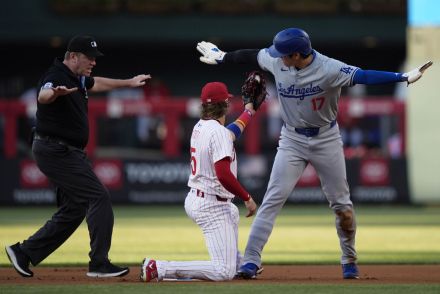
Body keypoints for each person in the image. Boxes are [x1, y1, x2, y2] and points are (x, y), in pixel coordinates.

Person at [196, 28, 432, 279]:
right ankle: (251, 260)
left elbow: (363, 76)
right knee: (272, 199)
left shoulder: (329, 69)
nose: (277, 57)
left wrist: (402, 77)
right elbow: (253, 55)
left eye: (284, 54)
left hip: (326, 138)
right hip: (292, 139)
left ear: (297, 54)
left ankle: (349, 258)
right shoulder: (278, 61)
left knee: (342, 205)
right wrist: (223, 57)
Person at [5, 35, 151, 278]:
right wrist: (53, 94)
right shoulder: (56, 76)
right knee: (99, 196)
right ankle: (99, 263)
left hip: (65, 150)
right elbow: (43, 94)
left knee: (74, 209)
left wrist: (129, 82)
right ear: (73, 56)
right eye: (89, 58)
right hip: (56, 149)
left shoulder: (77, 78)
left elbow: (98, 83)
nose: (93, 62)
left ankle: (24, 253)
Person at [140, 81, 258, 282]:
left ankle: (238, 263)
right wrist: (247, 197)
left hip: (199, 197)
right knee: (222, 272)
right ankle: (159, 268)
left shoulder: (201, 126)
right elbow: (223, 174)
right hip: (210, 204)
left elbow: (231, 133)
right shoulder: (218, 132)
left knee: (232, 212)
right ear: (226, 105)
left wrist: (249, 111)